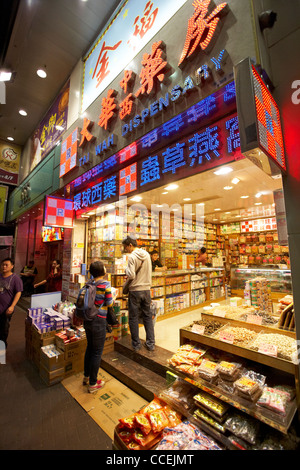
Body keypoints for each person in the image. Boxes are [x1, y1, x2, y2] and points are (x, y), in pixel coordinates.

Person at [83, 261, 115, 393]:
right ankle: (93, 383)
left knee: (89, 347)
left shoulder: (88, 284)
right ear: (103, 271)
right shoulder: (105, 284)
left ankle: (86, 377)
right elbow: (109, 302)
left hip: (87, 319)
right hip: (99, 320)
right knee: (97, 352)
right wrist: (113, 297)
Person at [122, 235, 155, 352]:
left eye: (126, 247)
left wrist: (126, 270)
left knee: (133, 318)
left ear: (130, 245)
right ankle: (151, 343)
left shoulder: (131, 257)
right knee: (147, 316)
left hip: (135, 290)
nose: (126, 250)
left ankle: (136, 344)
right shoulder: (146, 255)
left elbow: (131, 275)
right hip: (146, 289)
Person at [0, 258, 23, 348]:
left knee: (3, 329)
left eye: (6, 265)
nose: (4, 266)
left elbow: (18, 292)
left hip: (6, 309)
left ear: (12, 266)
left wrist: (12, 306)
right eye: (3, 264)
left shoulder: (15, 278)